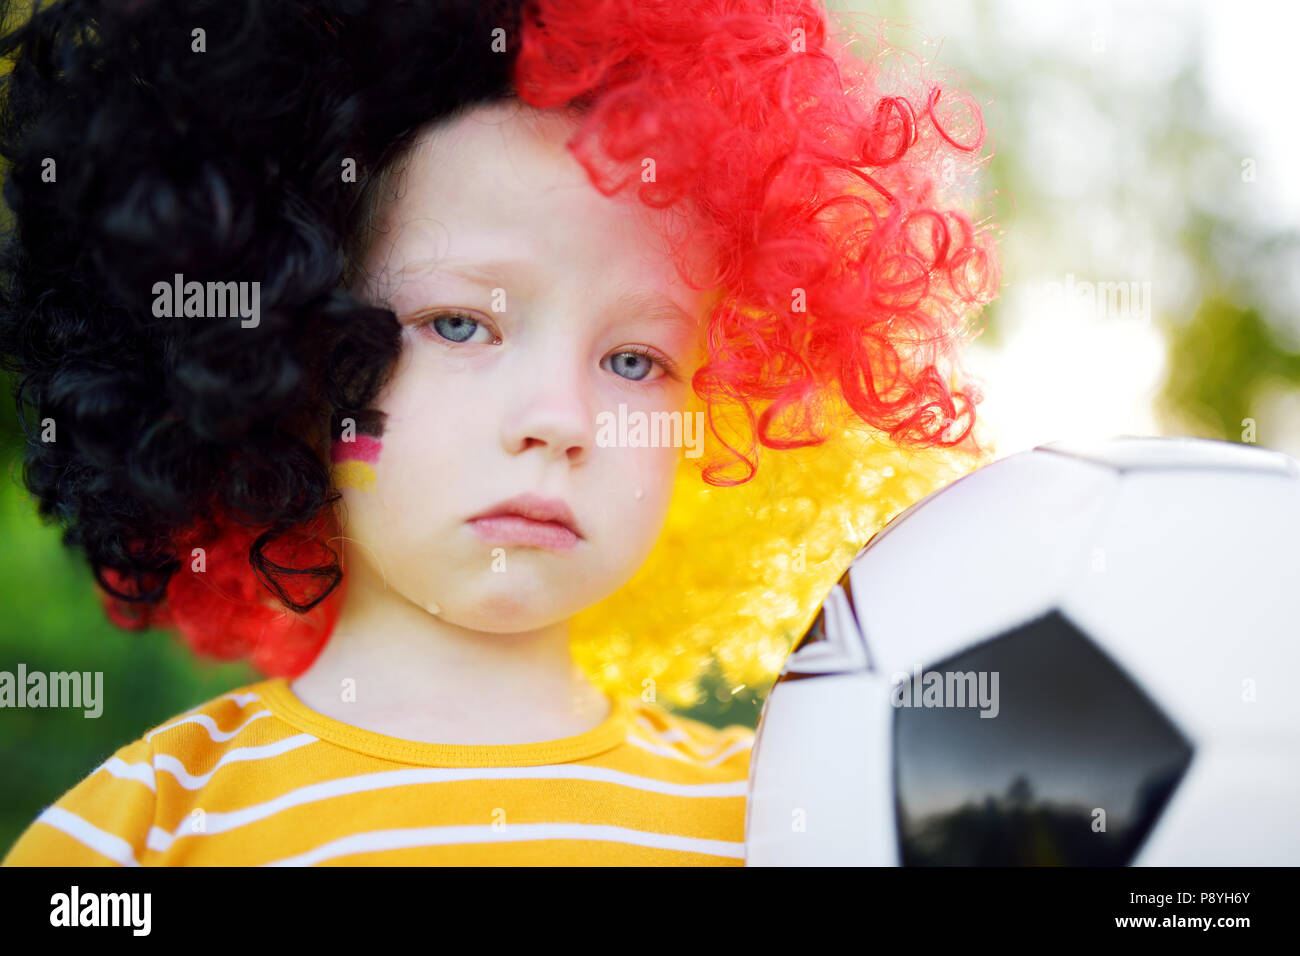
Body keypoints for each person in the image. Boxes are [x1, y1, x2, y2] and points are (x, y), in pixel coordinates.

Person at [0, 0, 1000, 865]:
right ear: (290, 355)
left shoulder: (780, 816)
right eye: (460, 324)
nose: (559, 419)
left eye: (634, 360)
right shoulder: (146, 828)